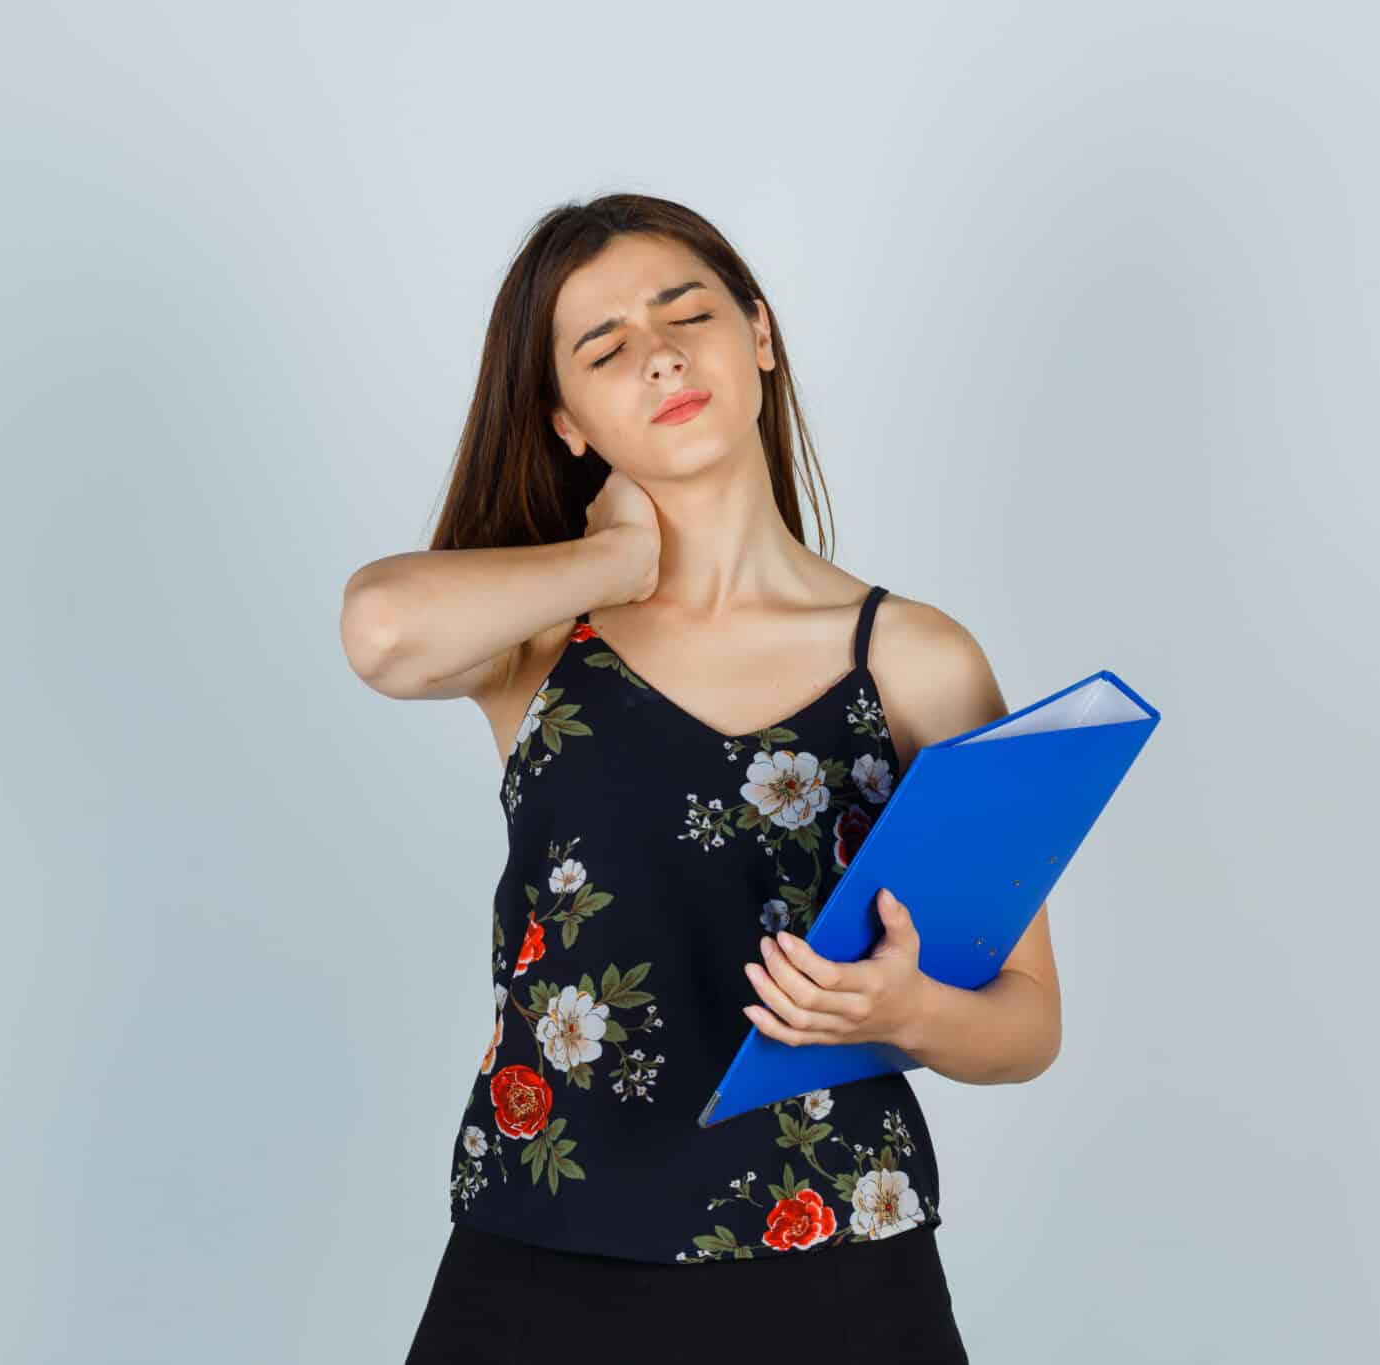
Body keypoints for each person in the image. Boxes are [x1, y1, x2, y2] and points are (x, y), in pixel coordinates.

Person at [340, 193, 1062, 1363]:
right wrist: (620, 555)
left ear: (759, 336)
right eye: (605, 350)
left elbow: (1028, 1020)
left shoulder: (919, 662)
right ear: (566, 420)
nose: (662, 355)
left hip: (837, 1268)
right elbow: (377, 632)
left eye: (686, 314)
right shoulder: (537, 642)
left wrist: (907, 1012)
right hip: (539, 1259)